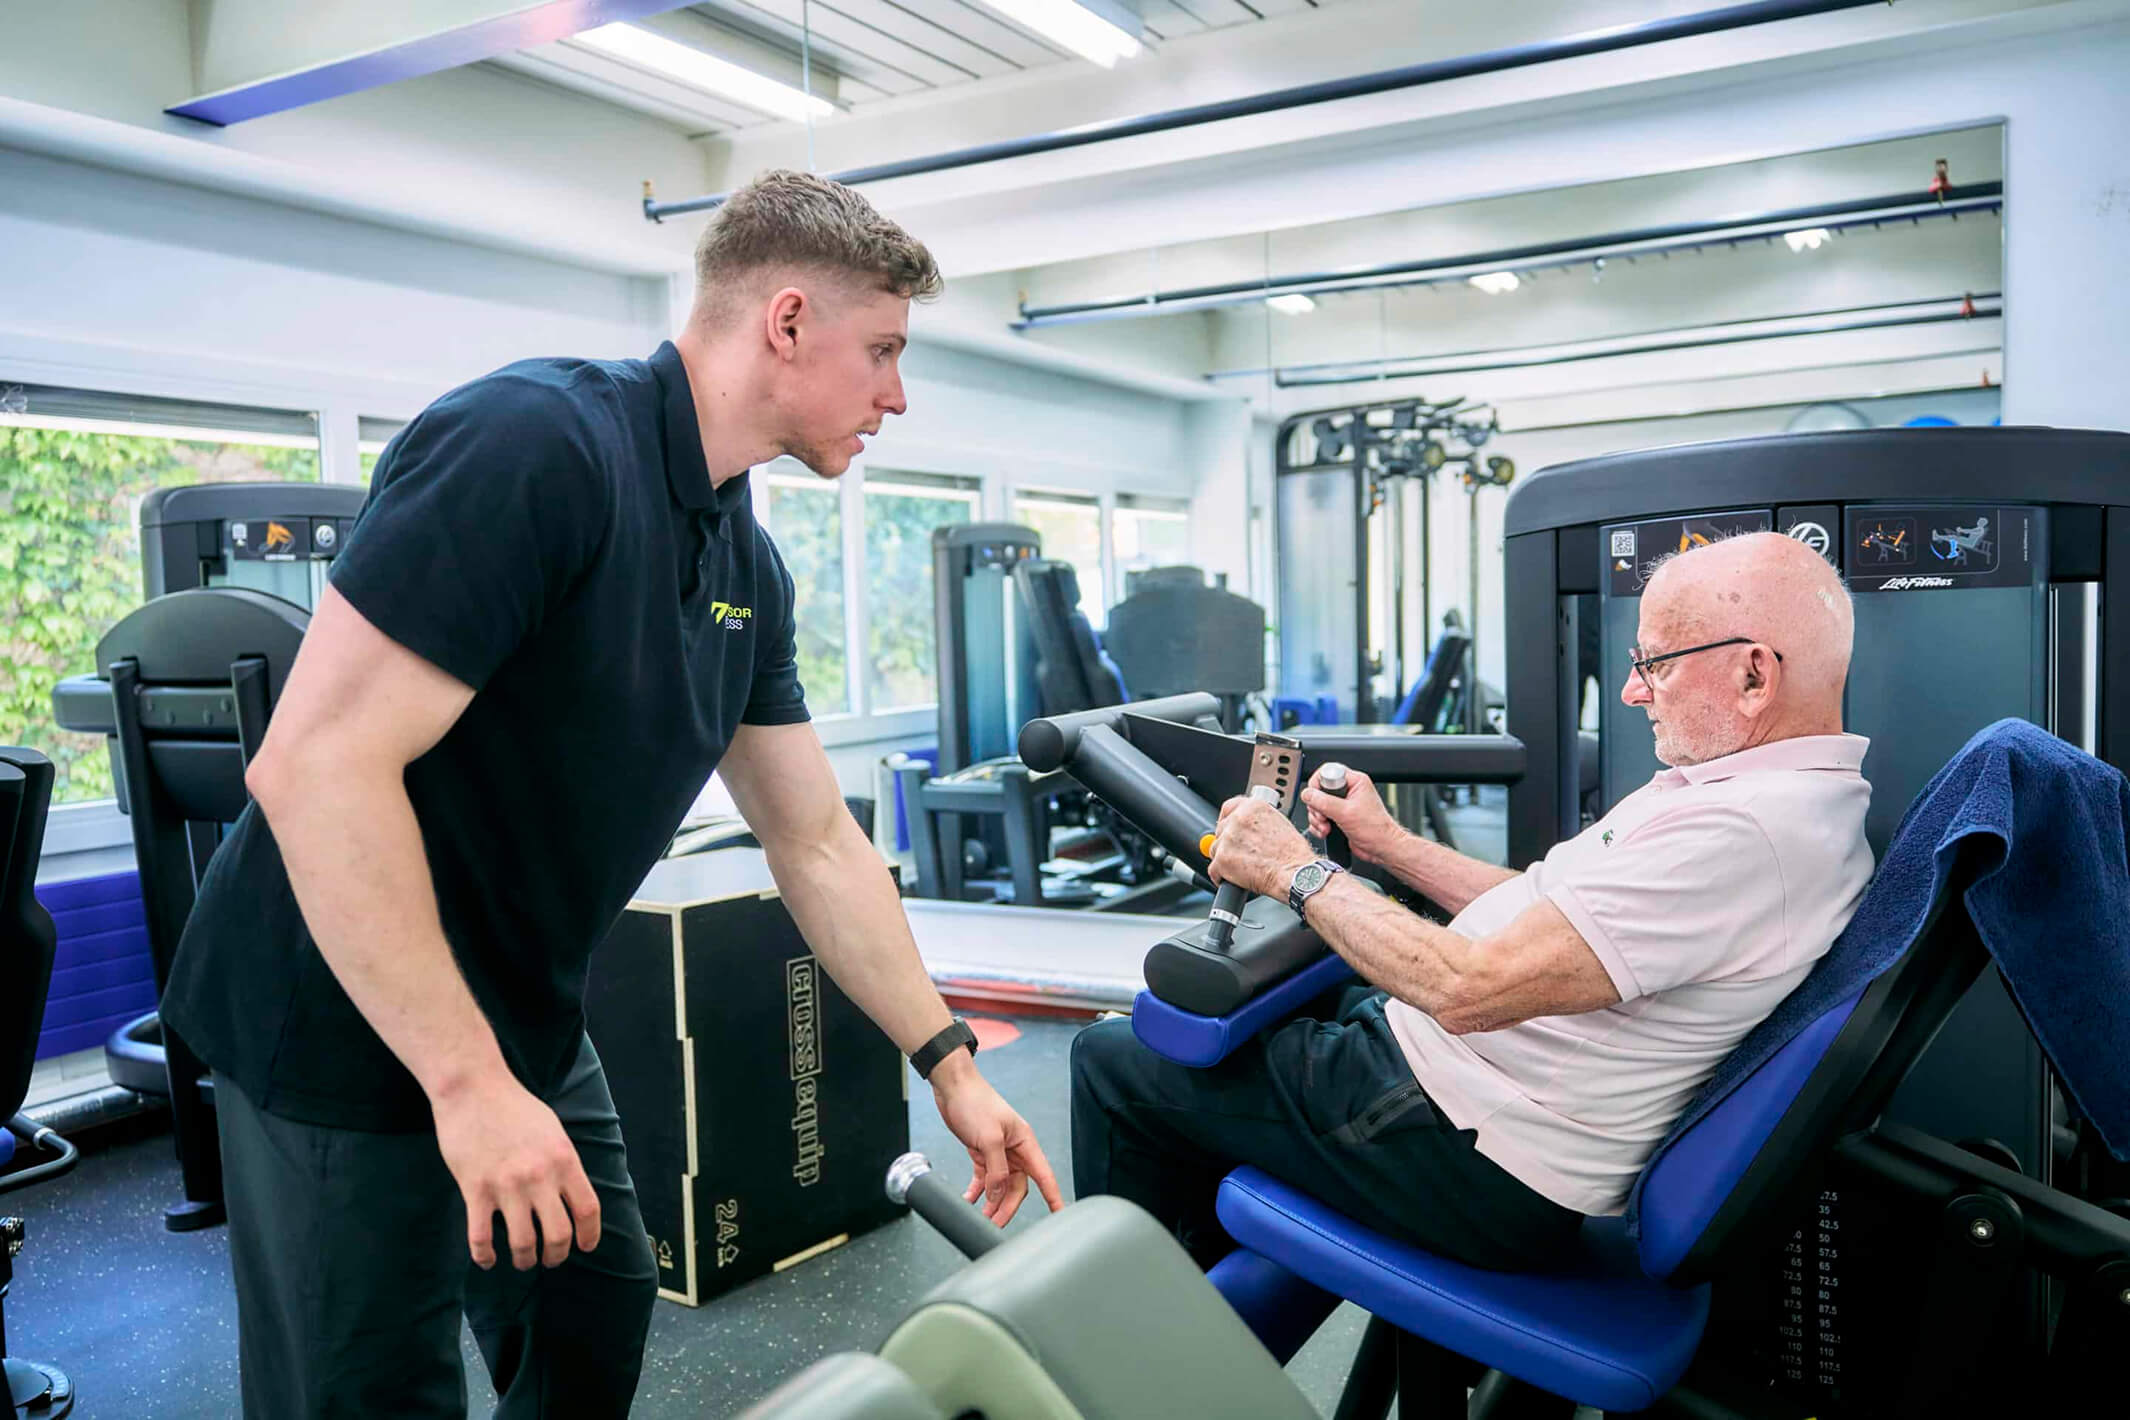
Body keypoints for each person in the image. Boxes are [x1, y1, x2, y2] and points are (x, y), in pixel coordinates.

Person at [160, 170, 1063, 1419]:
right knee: (369, 1388)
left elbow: (814, 840)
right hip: (332, 1008)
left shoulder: (741, 556)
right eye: (885, 351)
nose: (897, 394)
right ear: (787, 320)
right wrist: (469, 1090)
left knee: (591, 1303)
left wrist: (947, 1059)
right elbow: (314, 765)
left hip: (520, 1002)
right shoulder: (537, 445)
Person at [1071, 531, 1872, 1271]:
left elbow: (1468, 988)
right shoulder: (1770, 797)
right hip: (1469, 1087)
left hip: (1468, 1146)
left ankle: (1134, 1363)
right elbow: (1543, 914)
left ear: (1755, 674)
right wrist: (1387, 846)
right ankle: (1212, 1301)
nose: (1631, 690)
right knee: (1255, 1024)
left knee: (1117, 1061)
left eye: (1654, 662)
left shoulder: (1740, 835)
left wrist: (1295, 872)